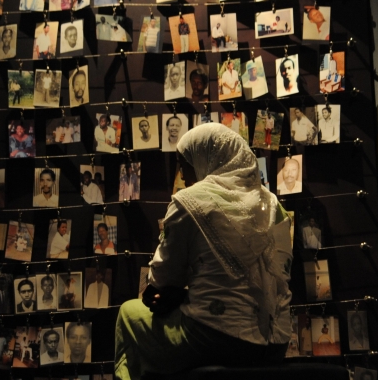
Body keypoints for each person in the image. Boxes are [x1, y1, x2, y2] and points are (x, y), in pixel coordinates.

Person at [114, 123, 293, 379]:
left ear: (205, 159)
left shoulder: (190, 201)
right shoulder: (274, 205)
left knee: (129, 314)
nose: (183, 176)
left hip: (218, 338)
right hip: (277, 343)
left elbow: (162, 279)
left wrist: (175, 293)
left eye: (184, 164)